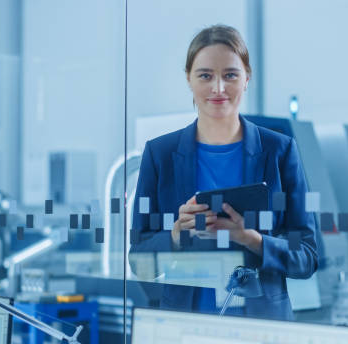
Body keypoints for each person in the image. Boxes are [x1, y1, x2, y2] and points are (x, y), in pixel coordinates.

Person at [129, 24, 318, 320]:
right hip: (185, 325)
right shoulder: (160, 155)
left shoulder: (279, 151)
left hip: (262, 327)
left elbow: (307, 256)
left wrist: (251, 239)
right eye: (205, 75)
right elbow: (138, 260)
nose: (218, 88)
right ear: (189, 81)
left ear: (246, 79)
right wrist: (176, 235)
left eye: (230, 75)